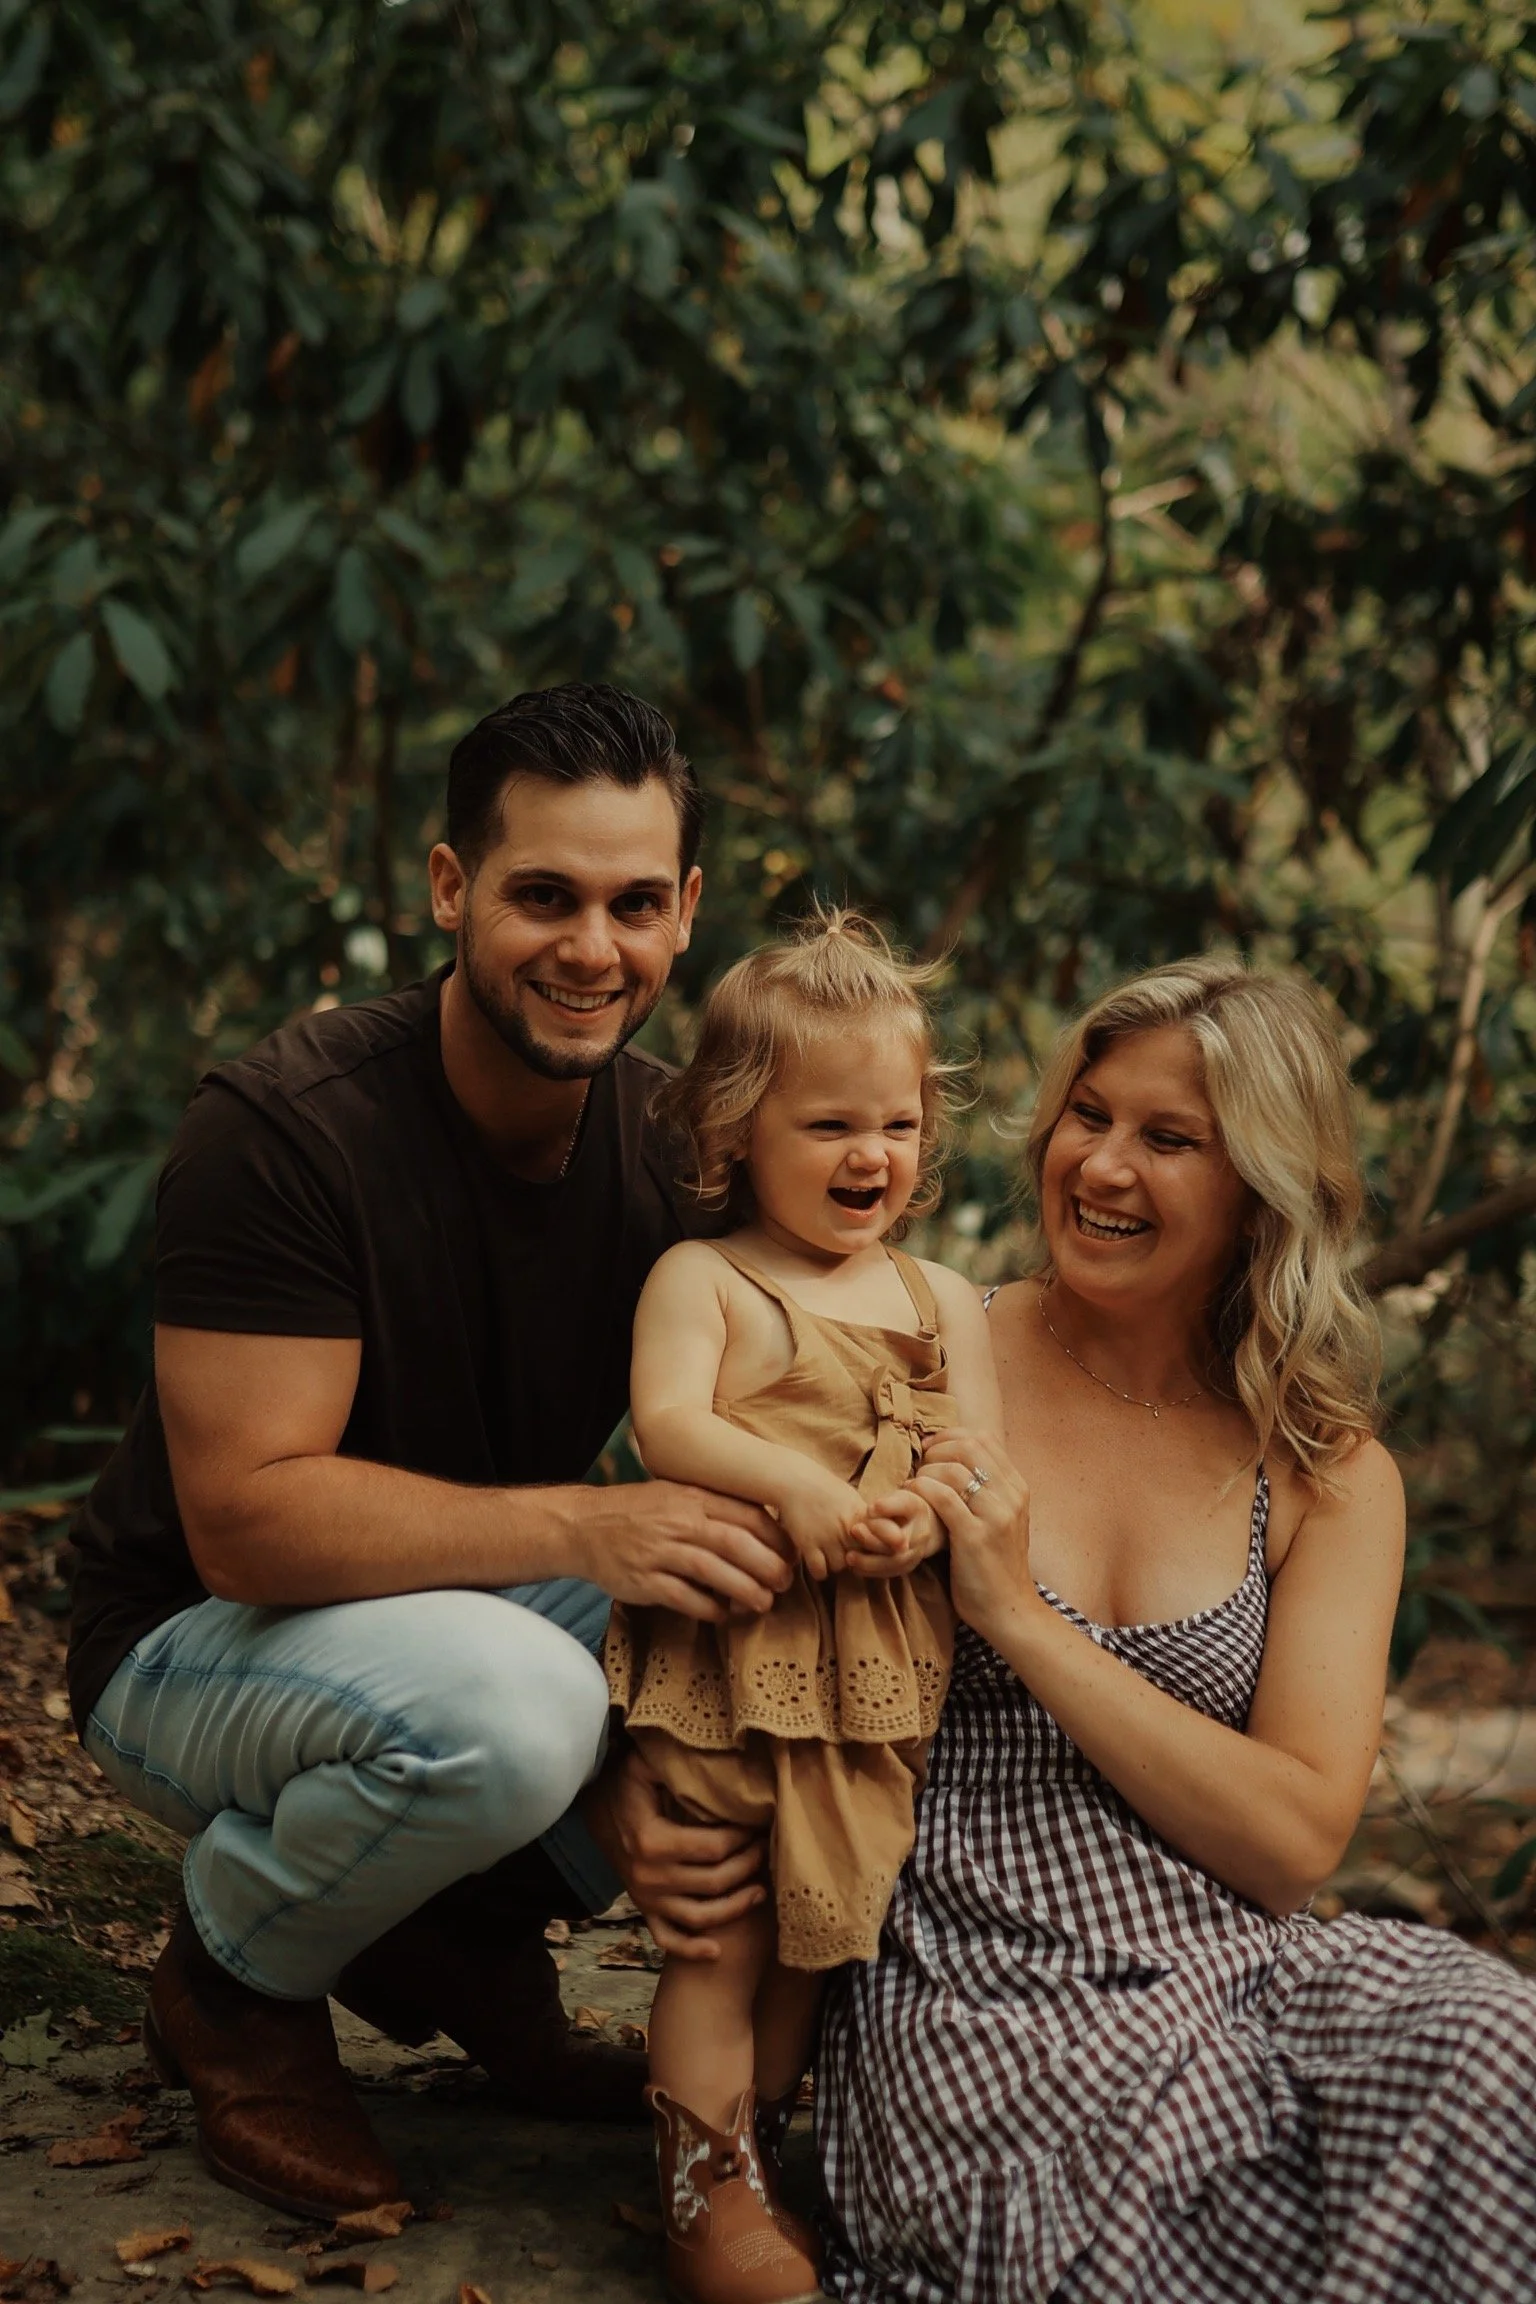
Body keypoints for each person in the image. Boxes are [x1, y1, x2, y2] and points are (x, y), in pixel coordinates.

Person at [65, 682, 792, 2222]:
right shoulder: (289, 1126)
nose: (594, 949)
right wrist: (593, 1550)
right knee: (522, 1702)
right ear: (452, 887)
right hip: (193, 1648)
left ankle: (459, 1938)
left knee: (797, 1575)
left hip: (458, 1627)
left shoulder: (678, 1152)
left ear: (688, 915)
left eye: (635, 903)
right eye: (544, 895)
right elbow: (247, 1531)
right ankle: (236, 1979)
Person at [815, 954, 1536, 2303]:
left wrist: (1021, 1621)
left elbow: (1289, 1843)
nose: (1101, 1168)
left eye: (1169, 1139)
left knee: (1496, 2041)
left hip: (1241, 1970)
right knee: (1156, 2169)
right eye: (1088, 1115)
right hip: (981, 1972)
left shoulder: (1323, 1470)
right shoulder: (924, 1359)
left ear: (1263, 1184)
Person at [604, 912, 1003, 2304]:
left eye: (895, 1123)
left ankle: (754, 2141)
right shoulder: (706, 1279)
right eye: (830, 1123)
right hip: (741, 1656)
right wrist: (803, 1488)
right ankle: (699, 2178)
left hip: (877, 1674)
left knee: (820, 1929)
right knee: (721, 1931)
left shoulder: (945, 1295)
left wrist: (925, 1501)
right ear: (732, 1132)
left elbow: (978, 1456)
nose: (870, 1156)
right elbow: (667, 1427)